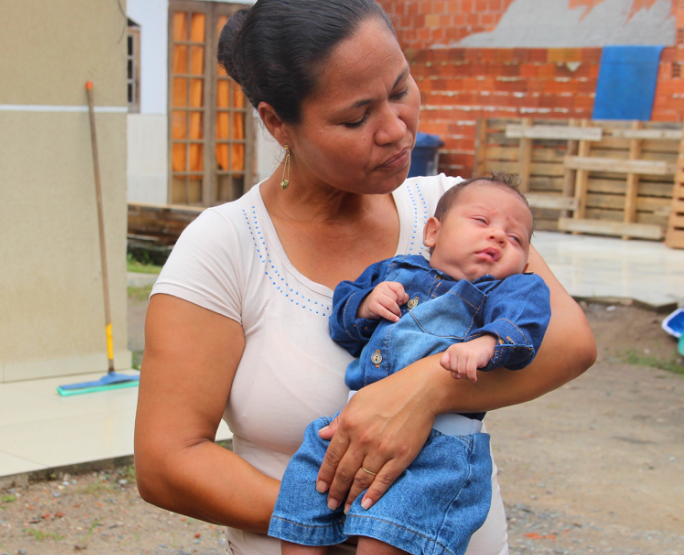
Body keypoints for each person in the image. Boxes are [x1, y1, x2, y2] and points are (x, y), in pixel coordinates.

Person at [133, 1, 597, 554]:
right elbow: (167, 461)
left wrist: (422, 391)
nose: (396, 129)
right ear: (278, 123)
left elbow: (569, 340)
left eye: (400, 89)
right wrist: (364, 524)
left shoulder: (456, 213)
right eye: (356, 118)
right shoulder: (226, 246)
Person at [269, 174, 551, 555]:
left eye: (515, 238)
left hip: (440, 449)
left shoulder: (510, 289)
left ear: (524, 264)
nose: (498, 236)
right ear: (433, 232)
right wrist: (366, 304)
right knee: (303, 495)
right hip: (353, 425)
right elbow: (342, 320)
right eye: (481, 221)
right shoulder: (394, 271)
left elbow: (525, 323)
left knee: (387, 534)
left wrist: (488, 343)